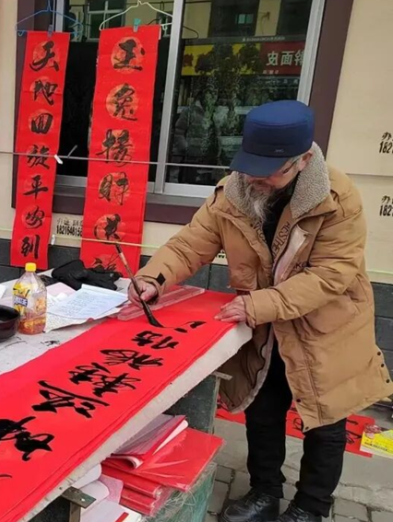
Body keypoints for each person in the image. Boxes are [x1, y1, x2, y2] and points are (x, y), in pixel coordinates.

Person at [130, 100, 393, 522]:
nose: (258, 178)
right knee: (262, 408)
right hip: (265, 326)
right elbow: (191, 242)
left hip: (326, 327)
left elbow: (332, 274)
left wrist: (257, 304)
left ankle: (311, 507)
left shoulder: (337, 198)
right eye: (252, 166)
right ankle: (264, 491)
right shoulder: (234, 191)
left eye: (272, 171)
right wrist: (154, 278)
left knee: (325, 420)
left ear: (303, 161)